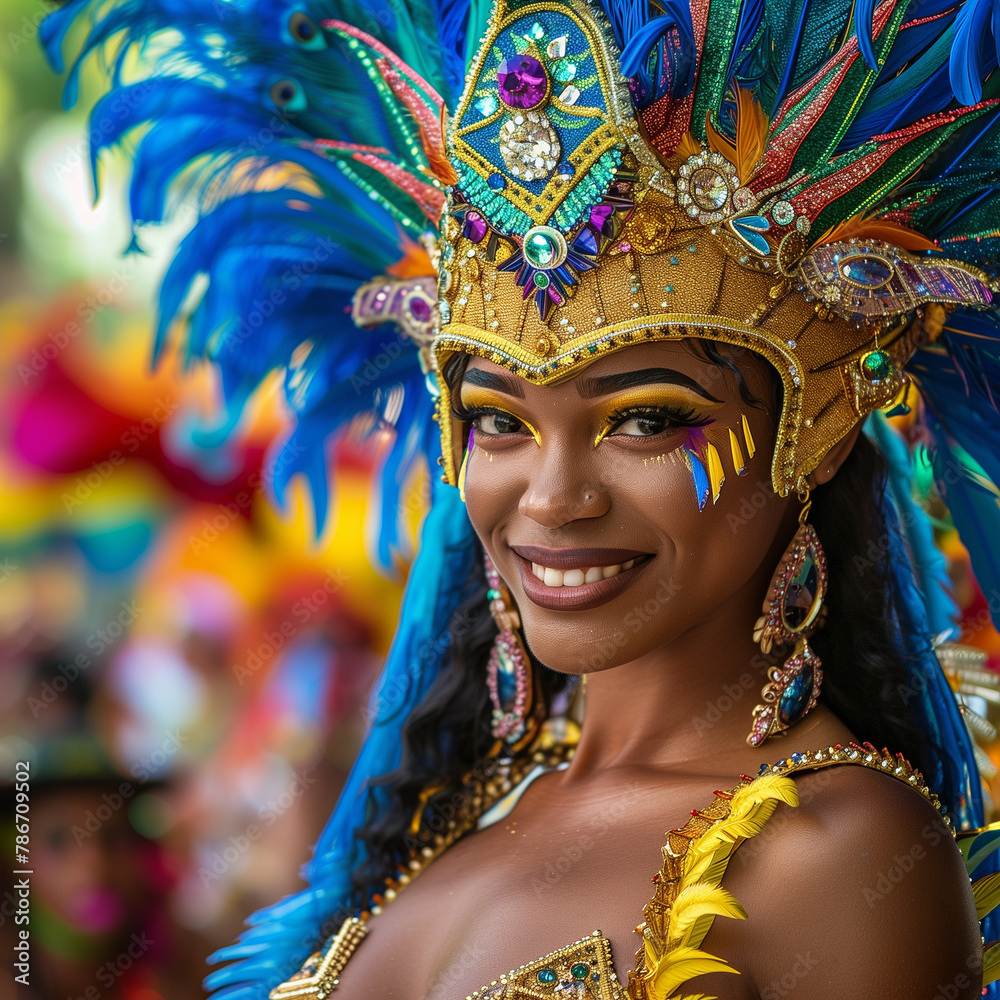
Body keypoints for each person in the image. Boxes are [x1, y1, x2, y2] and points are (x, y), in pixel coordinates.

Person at [42, 0, 1000, 997]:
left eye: (646, 419)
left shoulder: (835, 854)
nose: (552, 499)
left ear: (814, 430)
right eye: (500, 419)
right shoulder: (462, 805)